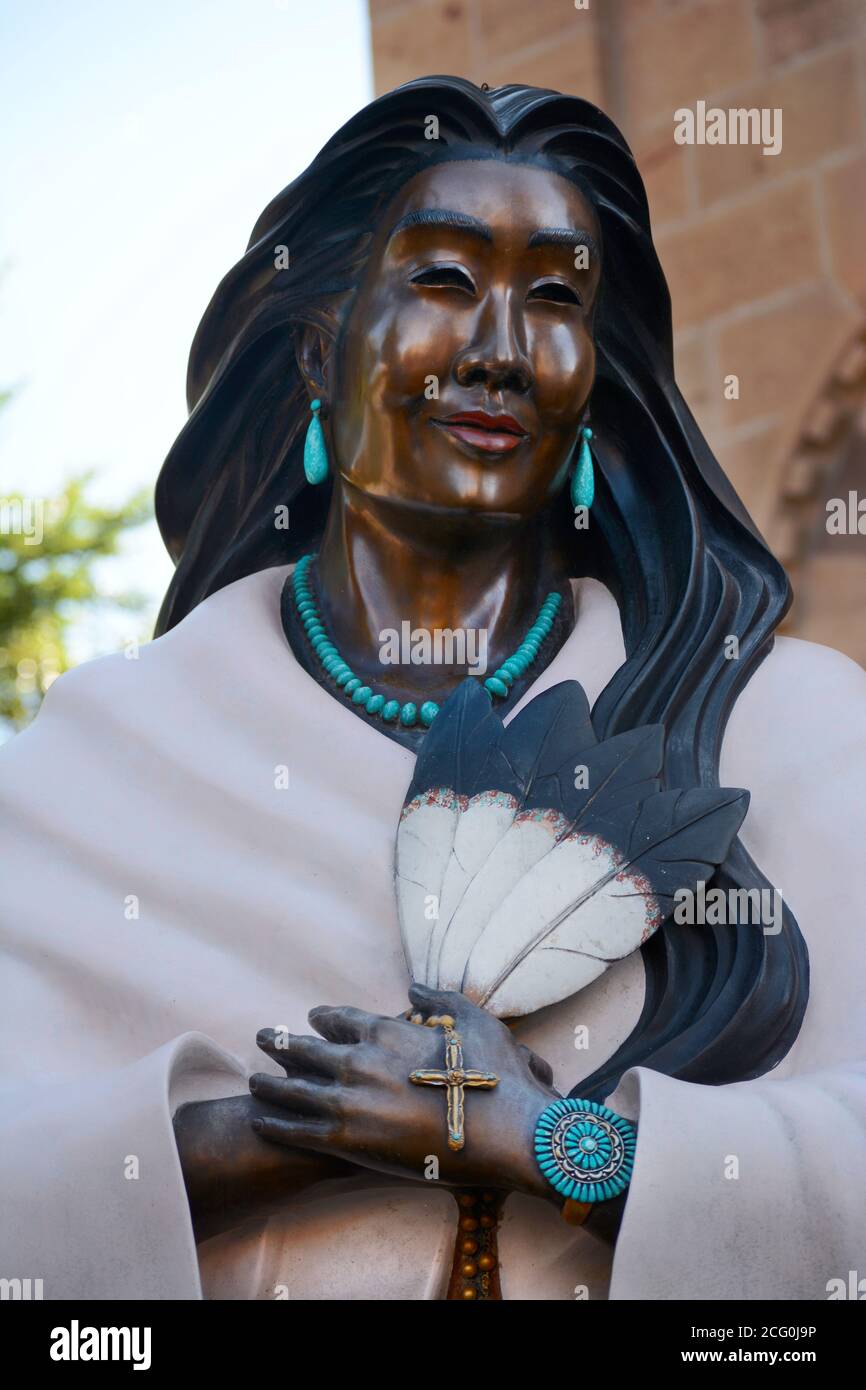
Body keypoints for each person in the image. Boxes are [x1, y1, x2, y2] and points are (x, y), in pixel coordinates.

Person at [1, 77, 864, 1301]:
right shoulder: (87, 771)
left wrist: (543, 1144)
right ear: (319, 345)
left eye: (555, 296)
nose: (500, 350)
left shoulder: (791, 733)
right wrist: (269, 1132)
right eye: (444, 280)